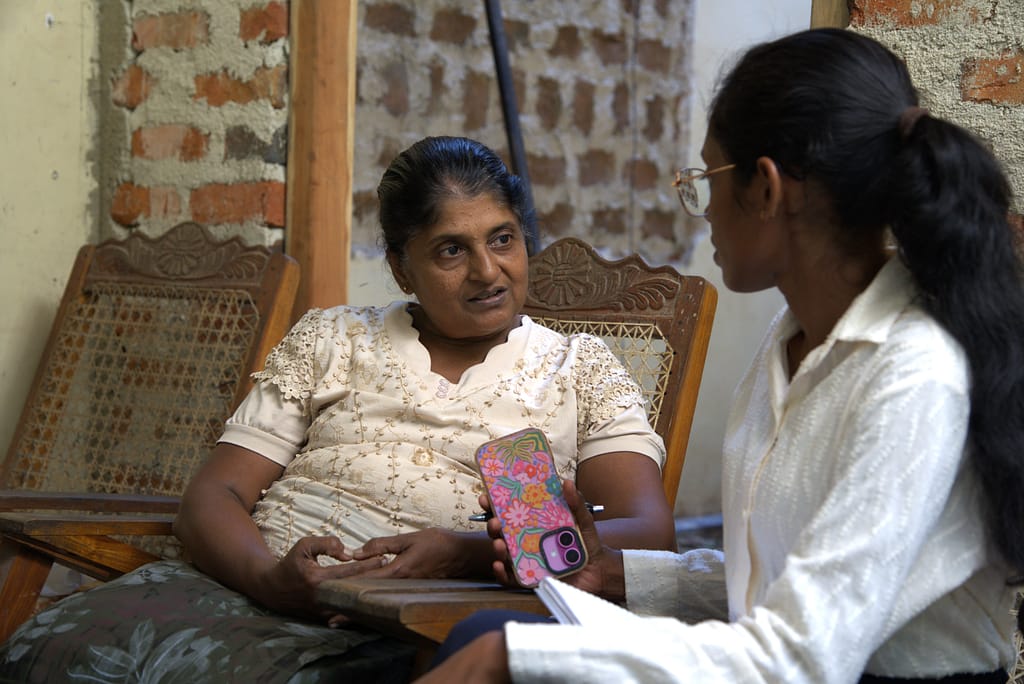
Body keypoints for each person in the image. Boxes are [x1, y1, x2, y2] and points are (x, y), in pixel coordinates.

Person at [418, 28, 1024, 683]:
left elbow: (796, 658)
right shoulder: (792, 338)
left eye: (704, 179)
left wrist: (517, 658)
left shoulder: (916, 375)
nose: (701, 212)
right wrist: (621, 576)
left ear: (765, 189)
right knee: (489, 630)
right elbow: (784, 582)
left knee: (501, 646)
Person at [0, 136, 676, 683]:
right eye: (451, 250)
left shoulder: (578, 368)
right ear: (401, 268)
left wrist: (465, 554)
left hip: (406, 622)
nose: (488, 271)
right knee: (55, 647)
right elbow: (215, 495)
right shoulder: (334, 338)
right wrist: (270, 580)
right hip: (255, 585)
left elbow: (646, 533)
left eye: (503, 239)